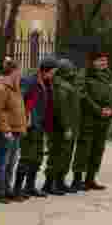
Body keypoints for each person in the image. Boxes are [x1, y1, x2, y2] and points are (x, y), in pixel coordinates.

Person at [70, 49, 112, 192]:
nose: (104, 63)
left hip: (104, 120)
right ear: (93, 62)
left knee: (98, 149)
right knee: (84, 149)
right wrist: (98, 109)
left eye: (105, 60)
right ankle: (77, 180)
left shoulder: (110, 75)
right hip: (89, 119)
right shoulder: (84, 74)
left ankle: (90, 179)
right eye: (101, 60)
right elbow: (82, 95)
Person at [18, 56, 58, 198]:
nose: (53, 74)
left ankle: (30, 186)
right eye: (52, 71)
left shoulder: (47, 83)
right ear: (45, 70)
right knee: (26, 157)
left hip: (40, 124)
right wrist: (26, 118)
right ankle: (18, 188)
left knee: (37, 157)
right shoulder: (30, 81)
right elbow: (20, 100)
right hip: (30, 125)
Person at [0, 59, 27, 203]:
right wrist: (5, 129)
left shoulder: (14, 86)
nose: (20, 74)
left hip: (16, 129)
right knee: (3, 162)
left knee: (11, 162)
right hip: (7, 130)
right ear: (13, 71)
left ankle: (6, 188)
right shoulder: (1, 87)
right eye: (19, 71)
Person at [45, 58, 82, 196]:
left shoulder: (67, 84)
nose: (73, 73)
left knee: (66, 155)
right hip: (61, 127)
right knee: (57, 155)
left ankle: (59, 181)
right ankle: (50, 183)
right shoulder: (61, 86)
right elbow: (62, 109)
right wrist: (67, 127)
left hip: (69, 125)